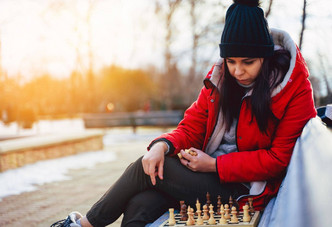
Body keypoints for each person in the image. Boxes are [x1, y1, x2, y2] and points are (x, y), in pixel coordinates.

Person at [51, 0, 316, 226]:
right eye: (231, 61)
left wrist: (213, 165)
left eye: (248, 62)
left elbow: (277, 159)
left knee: (144, 172)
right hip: (202, 175)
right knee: (138, 204)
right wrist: (162, 146)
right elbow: (191, 126)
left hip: (246, 190)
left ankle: (84, 223)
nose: (237, 71)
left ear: (266, 56)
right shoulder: (220, 80)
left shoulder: (293, 88)